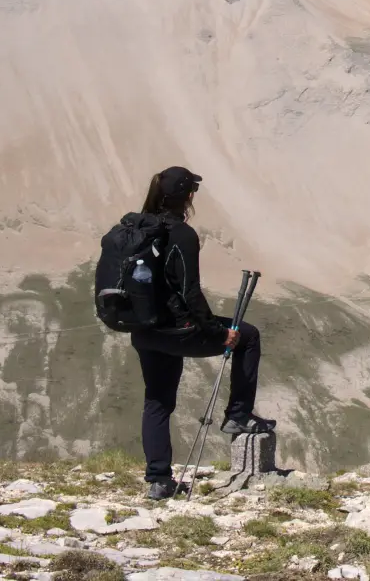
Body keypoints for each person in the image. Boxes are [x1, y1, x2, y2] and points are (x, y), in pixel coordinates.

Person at [131, 165, 273, 499]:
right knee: (247, 335)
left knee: (157, 401)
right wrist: (216, 332)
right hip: (177, 330)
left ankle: (158, 480)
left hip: (144, 330)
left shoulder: (137, 227)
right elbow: (190, 292)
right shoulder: (182, 234)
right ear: (188, 195)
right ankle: (237, 415)